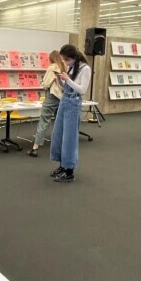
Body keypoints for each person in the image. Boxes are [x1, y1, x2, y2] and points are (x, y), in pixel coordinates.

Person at [50, 44, 91, 183]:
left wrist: (67, 79)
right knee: (59, 135)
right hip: (64, 102)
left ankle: (69, 171)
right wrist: (59, 80)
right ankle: (62, 166)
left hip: (73, 104)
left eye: (66, 60)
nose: (65, 62)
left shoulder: (85, 69)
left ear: (72, 57)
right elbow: (66, 87)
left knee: (69, 138)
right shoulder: (73, 67)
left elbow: (82, 90)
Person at [27, 50, 66, 157]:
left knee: (44, 122)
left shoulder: (52, 67)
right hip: (62, 97)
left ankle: (35, 148)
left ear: (51, 58)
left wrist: (43, 83)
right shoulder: (64, 67)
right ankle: (62, 147)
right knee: (60, 123)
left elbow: (46, 84)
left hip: (52, 97)